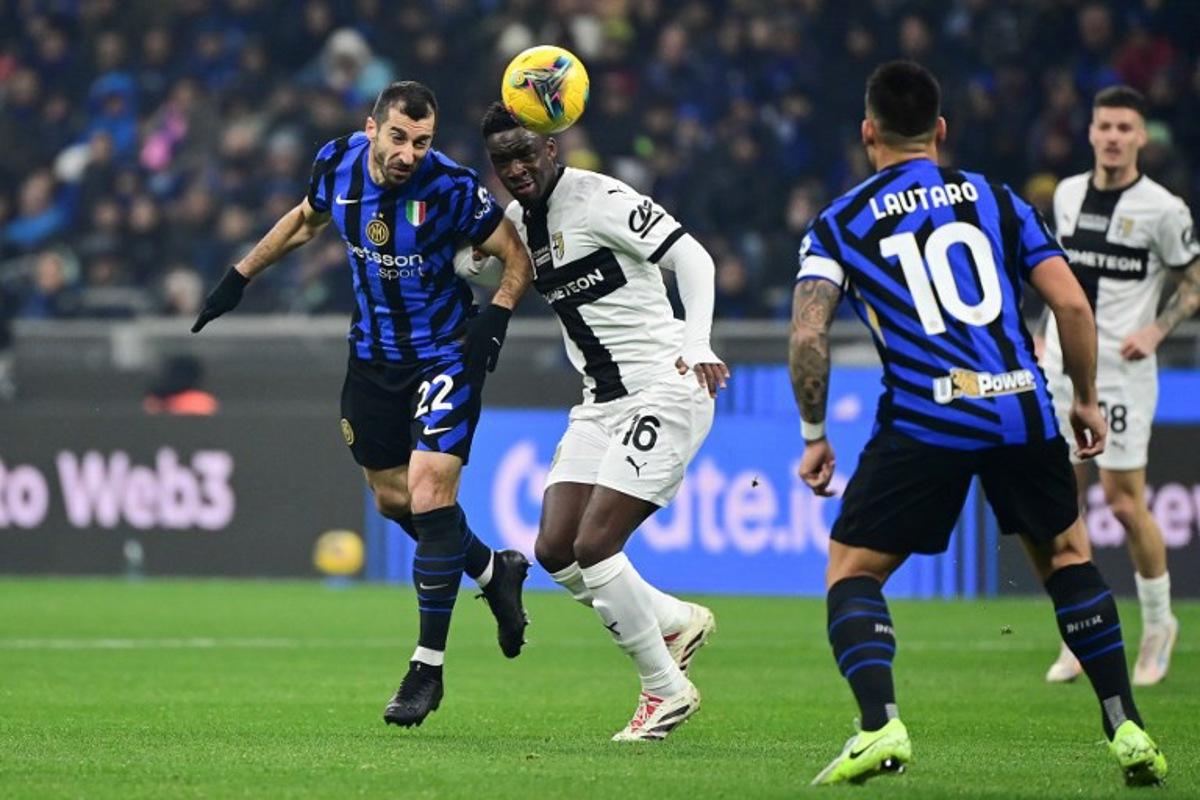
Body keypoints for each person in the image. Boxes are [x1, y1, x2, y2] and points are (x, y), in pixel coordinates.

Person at [790, 61, 1166, 787]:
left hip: (928, 414)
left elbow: (808, 335)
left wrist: (814, 433)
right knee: (1066, 557)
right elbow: (1074, 308)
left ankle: (879, 726)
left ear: (868, 132)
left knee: (852, 569)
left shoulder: (839, 220)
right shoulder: (995, 198)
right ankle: (1125, 725)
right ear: (939, 131)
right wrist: (1084, 398)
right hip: (1023, 404)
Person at [191, 81, 535, 728]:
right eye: (400, 137)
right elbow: (304, 220)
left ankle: (426, 669)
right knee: (393, 500)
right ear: (372, 128)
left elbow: (516, 258)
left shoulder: (453, 189)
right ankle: (494, 572)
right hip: (373, 358)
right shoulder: (337, 163)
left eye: (423, 141)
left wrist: (496, 317)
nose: (409, 153)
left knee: (431, 493)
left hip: (444, 354)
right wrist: (239, 278)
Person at [479, 102, 729, 741]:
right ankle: (673, 620)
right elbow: (477, 260)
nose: (517, 168)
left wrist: (698, 342)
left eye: (526, 154)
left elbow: (694, 258)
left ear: (552, 150)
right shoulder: (517, 222)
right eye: (504, 160)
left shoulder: (601, 198)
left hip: (665, 385)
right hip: (600, 401)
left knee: (596, 546)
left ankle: (664, 691)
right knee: (555, 549)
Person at [1041, 85, 1199, 687]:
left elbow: (1193, 281)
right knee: (1061, 503)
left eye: (1124, 128)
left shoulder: (1164, 209)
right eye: (1103, 125)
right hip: (1061, 367)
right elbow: (1056, 277)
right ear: (1090, 132)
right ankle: (1078, 635)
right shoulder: (1068, 194)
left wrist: (1157, 331)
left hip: (1123, 374)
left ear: (1141, 137)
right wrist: (1040, 331)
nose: (1112, 137)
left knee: (1126, 502)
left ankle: (1158, 626)